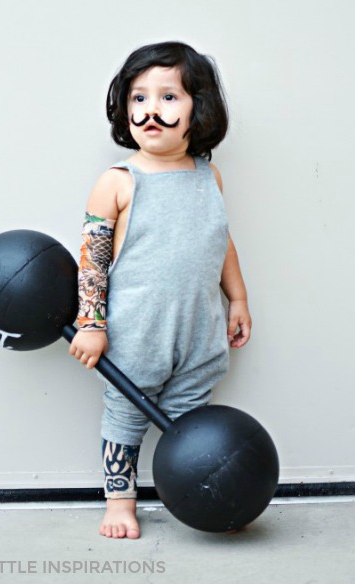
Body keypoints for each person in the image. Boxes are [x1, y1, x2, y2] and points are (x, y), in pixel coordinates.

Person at [68, 41, 252, 540]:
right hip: (136, 334)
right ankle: (120, 501)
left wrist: (237, 298)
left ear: (201, 108)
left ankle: (193, 491)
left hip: (198, 330)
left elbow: (221, 242)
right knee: (125, 419)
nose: (151, 110)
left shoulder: (207, 175)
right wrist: (91, 324)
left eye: (169, 97)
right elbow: (93, 260)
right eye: (138, 98)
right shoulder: (117, 181)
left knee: (192, 426)